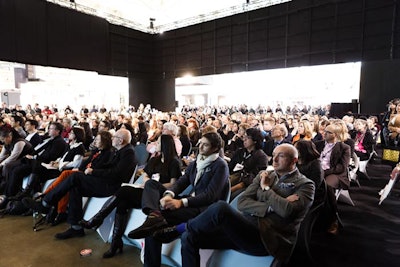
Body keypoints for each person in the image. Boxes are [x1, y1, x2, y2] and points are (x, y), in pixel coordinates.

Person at [177, 144, 315, 266]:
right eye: (273, 155)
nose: (275, 159)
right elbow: (243, 202)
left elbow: (287, 211)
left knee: (221, 208)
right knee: (189, 237)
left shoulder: (305, 185)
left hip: (267, 239)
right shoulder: (265, 175)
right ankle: (183, 230)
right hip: (243, 229)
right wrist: (271, 207)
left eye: (281, 156)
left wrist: (266, 189)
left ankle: (178, 229)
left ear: (294, 160)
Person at [127, 132, 230, 267]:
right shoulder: (197, 162)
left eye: (206, 145)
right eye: (201, 143)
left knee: (152, 227)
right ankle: (154, 214)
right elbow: (182, 182)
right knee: (151, 191)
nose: (201, 147)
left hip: (205, 209)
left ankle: (156, 219)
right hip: (192, 204)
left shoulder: (220, 166)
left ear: (215, 148)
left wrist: (181, 202)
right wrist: (169, 194)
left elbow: (210, 196)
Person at [79, 134, 182, 258]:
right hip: (146, 191)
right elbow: (145, 175)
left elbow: (173, 183)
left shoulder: (174, 162)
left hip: (159, 195)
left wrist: (153, 184)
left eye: (158, 143)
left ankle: (98, 219)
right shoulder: (155, 159)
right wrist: (148, 182)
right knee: (122, 202)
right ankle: (115, 242)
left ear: (165, 145)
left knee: (123, 191)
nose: (155, 144)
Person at [23, 128, 137, 240]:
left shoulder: (128, 153)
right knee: (75, 186)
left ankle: (46, 203)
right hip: (106, 182)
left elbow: (116, 173)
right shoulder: (122, 151)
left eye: (114, 137)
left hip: (111, 186)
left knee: (74, 176)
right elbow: (110, 168)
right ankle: (76, 227)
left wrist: (94, 171)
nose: (112, 139)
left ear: (120, 141)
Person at [41, 131, 114, 226]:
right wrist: (80, 169)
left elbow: (98, 168)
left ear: (104, 141)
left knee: (69, 176)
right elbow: (86, 163)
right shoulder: (96, 151)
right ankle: (55, 208)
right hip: (85, 173)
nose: (94, 141)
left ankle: (47, 199)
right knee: (68, 179)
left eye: (97, 139)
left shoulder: (108, 154)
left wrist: (82, 170)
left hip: (94, 178)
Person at [3, 122, 68, 202]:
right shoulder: (51, 139)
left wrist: (34, 157)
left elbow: (50, 156)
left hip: (42, 164)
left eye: (51, 128)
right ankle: (8, 193)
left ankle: (10, 194)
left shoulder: (59, 142)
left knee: (16, 170)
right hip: (36, 161)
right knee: (11, 167)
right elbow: (39, 150)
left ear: (58, 131)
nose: (49, 130)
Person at [314, 123, 351, 235]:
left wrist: (324, 173)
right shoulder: (318, 144)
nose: (324, 133)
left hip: (335, 173)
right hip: (317, 171)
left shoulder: (344, 147)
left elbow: (341, 167)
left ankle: (333, 218)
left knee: (327, 186)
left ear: (336, 135)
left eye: (328, 132)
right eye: (324, 131)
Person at [228, 128, 268, 200]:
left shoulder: (261, 156)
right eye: (244, 137)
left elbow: (256, 177)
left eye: (248, 138)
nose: (244, 139)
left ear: (255, 140)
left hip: (247, 184)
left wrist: (236, 187)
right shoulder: (240, 151)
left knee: (232, 196)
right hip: (234, 178)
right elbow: (230, 167)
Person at [0, 125, 33, 196]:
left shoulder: (19, 142)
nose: (2, 141)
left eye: (3, 139)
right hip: (18, 161)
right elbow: (2, 156)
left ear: (10, 136)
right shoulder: (7, 143)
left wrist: (1, 164)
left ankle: (6, 190)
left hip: (26, 162)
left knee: (7, 166)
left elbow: (13, 157)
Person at [294, 140, 324, 206]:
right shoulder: (295, 162)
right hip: (296, 189)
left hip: (308, 194)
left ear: (303, 150)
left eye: (296, 149)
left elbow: (314, 185)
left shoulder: (315, 165)